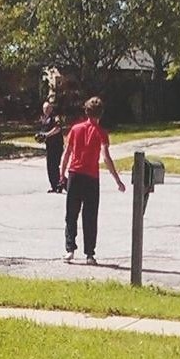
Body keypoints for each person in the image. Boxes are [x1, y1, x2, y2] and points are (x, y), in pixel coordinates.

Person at [59, 96, 125, 265]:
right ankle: (89, 254)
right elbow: (106, 157)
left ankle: (70, 249)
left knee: (71, 214)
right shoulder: (102, 133)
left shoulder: (75, 129)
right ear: (101, 114)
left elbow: (67, 153)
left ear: (86, 111)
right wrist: (117, 180)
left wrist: (62, 173)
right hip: (91, 177)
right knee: (90, 216)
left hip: (74, 174)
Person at [39, 101, 64, 193]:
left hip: (57, 145)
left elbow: (58, 128)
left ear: (51, 108)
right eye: (44, 108)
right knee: (49, 166)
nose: (45, 110)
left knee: (55, 166)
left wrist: (47, 135)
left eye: (47, 108)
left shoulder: (55, 117)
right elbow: (43, 130)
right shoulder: (44, 118)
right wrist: (40, 136)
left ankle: (60, 184)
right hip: (49, 146)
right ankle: (54, 186)